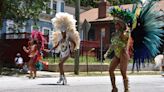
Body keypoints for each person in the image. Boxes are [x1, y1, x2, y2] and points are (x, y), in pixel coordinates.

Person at [45, 12, 80, 85]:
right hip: (62, 54)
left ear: (65, 32)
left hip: (67, 54)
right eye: (61, 32)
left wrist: (73, 50)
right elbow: (56, 46)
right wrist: (50, 50)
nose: (62, 33)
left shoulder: (68, 38)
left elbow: (74, 42)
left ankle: (64, 78)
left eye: (63, 32)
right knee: (60, 65)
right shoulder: (61, 39)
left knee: (60, 64)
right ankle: (61, 77)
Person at [104, 23, 131, 92]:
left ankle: (126, 89)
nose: (116, 26)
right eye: (115, 24)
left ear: (121, 25)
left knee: (123, 72)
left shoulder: (125, 33)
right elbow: (112, 45)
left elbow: (124, 44)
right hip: (117, 55)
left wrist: (122, 35)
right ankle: (114, 88)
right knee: (110, 70)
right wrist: (107, 53)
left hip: (123, 54)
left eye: (117, 24)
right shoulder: (115, 34)